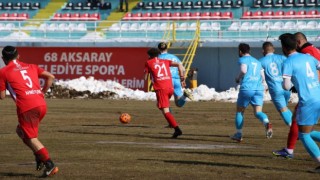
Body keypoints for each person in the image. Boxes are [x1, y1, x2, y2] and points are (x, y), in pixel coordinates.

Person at [0, 46, 58, 177]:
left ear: (3, 59)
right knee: (21, 131)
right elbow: (51, 77)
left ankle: (49, 164)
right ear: (18, 56)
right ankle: (39, 155)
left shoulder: (3, 71)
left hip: (27, 107)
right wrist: (42, 92)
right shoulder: (31, 66)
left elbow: (2, 96)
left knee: (31, 138)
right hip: (41, 104)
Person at [273, 32, 320, 159]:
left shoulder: (288, 62)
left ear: (284, 48)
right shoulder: (309, 57)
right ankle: (289, 150)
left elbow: (286, 86)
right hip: (318, 95)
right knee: (305, 130)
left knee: (304, 134)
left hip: (308, 99)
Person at [231, 43, 272, 142]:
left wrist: (237, 78)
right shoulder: (257, 61)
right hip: (258, 89)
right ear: (249, 51)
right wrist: (264, 86)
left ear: (240, 51)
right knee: (258, 112)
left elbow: (244, 70)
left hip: (247, 88)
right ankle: (266, 122)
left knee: (240, 111)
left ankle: (239, 134)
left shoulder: (242, 59)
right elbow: (263, 76)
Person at [144, 48, 185, 138]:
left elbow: (145, 77)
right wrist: (182, 77)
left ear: (150, 55)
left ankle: (176, 129)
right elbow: (179, 64)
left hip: (161, 88)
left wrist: (147, 72)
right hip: (170, 87)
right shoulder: (165, 61)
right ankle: (172, 122)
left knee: (165, 110)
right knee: (160, 105)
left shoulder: (148, 62)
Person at [259, 42, 292, 126]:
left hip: (275, 89)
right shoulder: (282, 58)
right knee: (285, 109)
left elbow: (261, 76)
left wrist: (264, 85)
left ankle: (296, 129)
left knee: (283, 110)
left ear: (263, 51)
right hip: (286, 87)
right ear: (273, 49)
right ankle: (296, 127)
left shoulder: (260, 61)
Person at [158, 42, 194, 108]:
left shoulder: (158, 58)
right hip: (176, 80)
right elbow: (183, 69)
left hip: (167, 80)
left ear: (158, 49)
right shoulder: (174, 57)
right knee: (179, 104)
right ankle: (185, 95)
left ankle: (168, 116)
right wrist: (182, 80)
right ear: (167, 48)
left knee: (163, 103)